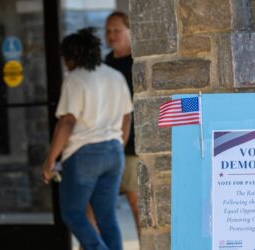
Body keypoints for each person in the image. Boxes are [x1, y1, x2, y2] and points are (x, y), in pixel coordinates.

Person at [42, 28, 133, 250]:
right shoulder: (114, 76)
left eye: (66, 58)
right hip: (114, 151)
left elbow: (67, 122)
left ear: (73, 56)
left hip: (84, 154)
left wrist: (50, 160)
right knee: (107, 216)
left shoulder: (75, 79)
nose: (65, 64)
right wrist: (118, 145)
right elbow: (126, 116)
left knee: (73, 213)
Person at [105, 11, 140, 237]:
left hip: (135, 144)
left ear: (129, 31)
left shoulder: (138, 61)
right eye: (108, 31)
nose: (111, 35)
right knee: (99, 203)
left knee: (137, 203)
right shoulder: (106, 63)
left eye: (117, 30)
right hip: (108, 144)